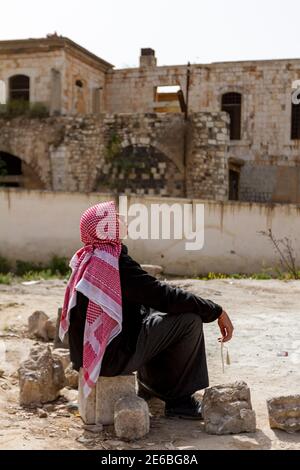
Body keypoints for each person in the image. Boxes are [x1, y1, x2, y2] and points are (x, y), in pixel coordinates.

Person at [60, 200, 234, 420]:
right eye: (115, 216)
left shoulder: (89, 258)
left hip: (93, 355)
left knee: (154, 315)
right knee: (188, 320)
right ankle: (180, 402)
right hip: (110, 358)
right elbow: (164, 296)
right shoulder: (113, 264)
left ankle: (152, 386)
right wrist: (216, 311)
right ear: (107, 229)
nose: (122, 217)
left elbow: (151, 298)